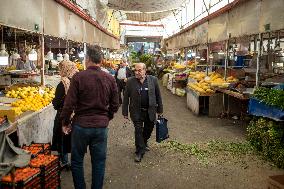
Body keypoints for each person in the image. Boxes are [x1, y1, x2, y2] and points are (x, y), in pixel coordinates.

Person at [60, 45, 119, 189]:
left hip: (81, 126)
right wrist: (107, 117)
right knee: (99, 162)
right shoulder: (110, 78)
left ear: (87, 59)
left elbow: (69, 104)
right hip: (101, 127)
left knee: (77, 161)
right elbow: (115, 104)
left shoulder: (78, 77)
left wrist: (65, 122)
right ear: (101, 60)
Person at [122, 63, 163, 162]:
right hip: (136, 111)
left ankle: (144, 143)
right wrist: (125, 112)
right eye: (135, 70)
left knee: (148, 130)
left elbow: (158, 96)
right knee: (138, 131)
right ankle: (139, 151)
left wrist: (160, 110)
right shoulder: (130, 81)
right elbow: (126, 98)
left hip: (150, 110)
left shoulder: (153, 80)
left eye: (139, 70)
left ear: (145, 70)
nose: (136, 72)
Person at [52, 60, 78, 169]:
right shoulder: (77, 81)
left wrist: (54, 102)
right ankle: (74, 161)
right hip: (75, 114)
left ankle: (64, 161)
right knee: (72, 138)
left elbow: (57, 103)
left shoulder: (62, 84)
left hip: (64, 114)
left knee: (62, 137)